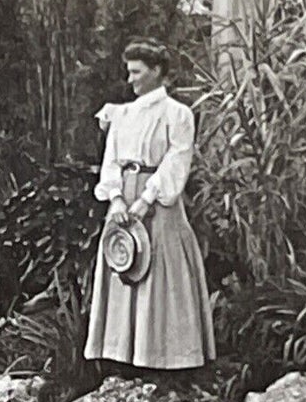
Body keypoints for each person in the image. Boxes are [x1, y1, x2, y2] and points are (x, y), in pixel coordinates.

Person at [85, 40, 215, 373]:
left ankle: (166, 359)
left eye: (137, 72)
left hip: (157, 201)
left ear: (157, 72)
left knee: (159, 267)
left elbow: (176, 162)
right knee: (123, 261)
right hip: (123, 199)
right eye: (129, 72)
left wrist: (145, 201)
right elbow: (111, 159)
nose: (131, 80)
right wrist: (115, 200)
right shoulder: (122, 114)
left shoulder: (177, 114)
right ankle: (124, 357)